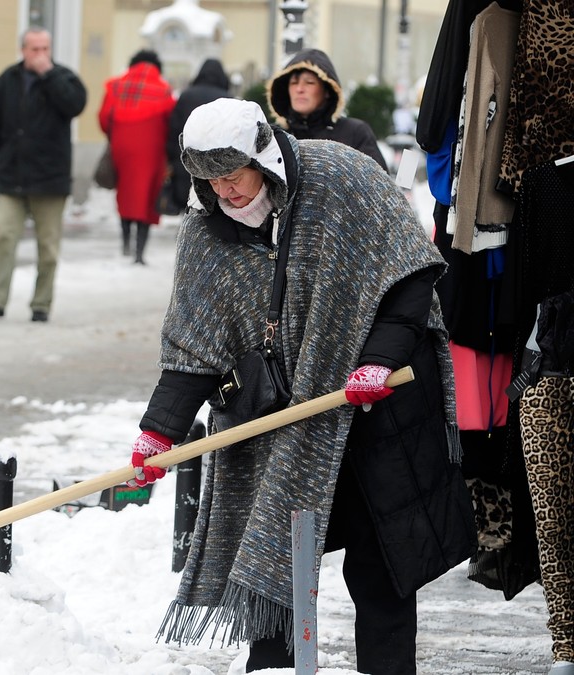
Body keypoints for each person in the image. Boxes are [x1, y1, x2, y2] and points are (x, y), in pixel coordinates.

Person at [128, 99, 474, 673]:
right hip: (280, 418)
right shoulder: (206, 227)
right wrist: (159, 431)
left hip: (376, 405)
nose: (225, 192)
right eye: (209, 181)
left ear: (262, 159)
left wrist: (377, 360)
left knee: (378, 561)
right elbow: (195, 342)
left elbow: (411, 275)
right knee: (275, 560)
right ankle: (272, 669)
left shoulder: (342, 179)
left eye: (232, 176)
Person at [0, 27, 86, 323]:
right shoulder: (6, 81)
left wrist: (49, 75)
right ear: (22, 50)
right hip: (11, 176)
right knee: (3, 236)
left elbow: (75, 105)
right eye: (33, 49)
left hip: (49, 179)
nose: (39, 55)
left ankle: (41, 303)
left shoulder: (64, 78)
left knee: (48, 247)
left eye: (44, 49)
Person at [97, 49, 174, 265]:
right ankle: (140, 251)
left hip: (122, 147)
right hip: (153, 151)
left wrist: (116, 135)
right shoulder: (164, 91)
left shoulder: (115, 87)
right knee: (147, 198)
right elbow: (171, 122)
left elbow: (104, 119)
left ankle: (125, 244)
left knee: (126, 195)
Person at [266, 48, 388, 171]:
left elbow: (380, 186)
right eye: (293, 83)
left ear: (327, 91)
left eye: (309, 82)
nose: (299, 89)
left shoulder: (355, 133)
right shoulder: (274, 136)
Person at [165, 58, 231, 216]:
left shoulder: (186, 96)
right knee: (210, 199)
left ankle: (187, 228)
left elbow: (174, 128)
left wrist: (171, 156)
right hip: (215, 161)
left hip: (187, 156)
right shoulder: (226, 98)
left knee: (188, 197)